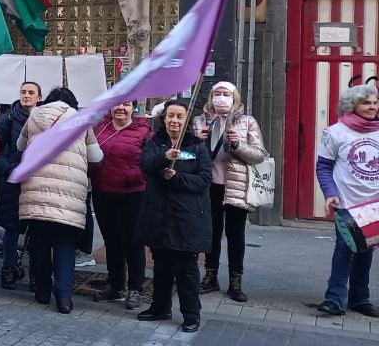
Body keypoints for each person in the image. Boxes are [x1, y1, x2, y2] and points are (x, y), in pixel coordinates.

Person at [16, 88, 102, 314]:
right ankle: (64, 298)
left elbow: (19, 146)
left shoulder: (35, 116)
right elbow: (96, 157)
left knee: (39, 244)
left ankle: (42, 292)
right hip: (68, 196)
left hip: (36, 191)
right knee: (65, 246)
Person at [136, 100, 212, 334]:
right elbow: (146, 165)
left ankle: (191, 315)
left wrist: (177, 177)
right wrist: (164, 157)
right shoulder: (154, 142)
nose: (174, 121)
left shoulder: (197, 146)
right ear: (164, 118)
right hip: (159, 215)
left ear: (186, 120)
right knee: (161, 266)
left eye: (180, 116)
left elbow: (204, 179)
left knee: (186, 270)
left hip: (186, 217)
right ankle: (160, 307)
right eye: (171, 116)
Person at [193, 81, 267, 302]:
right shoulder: (199, 120)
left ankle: (236, 282)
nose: (221, 98)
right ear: (210, 97)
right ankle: (210, 276)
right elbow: (187, 152)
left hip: (236, 186)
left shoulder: (247, 122)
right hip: (208, 186)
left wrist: (238, 145)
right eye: (217, 93)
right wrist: (198, 141)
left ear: (234, 98)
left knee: (236, 235)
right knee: (211, 233)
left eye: (226, 94)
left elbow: (259, 155)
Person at [315, 84, 379, 318]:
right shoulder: (335, 132)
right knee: (345, 248)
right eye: (366, 103)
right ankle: (334, 299)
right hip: (347, 203)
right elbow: (323, 167)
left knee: (366, 250)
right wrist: (329, 192)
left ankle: (359, 299)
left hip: (374, 204)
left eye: (375, 102)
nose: (372, 107)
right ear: (352, 105)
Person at [91, 101, 152, 310]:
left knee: (133, 243)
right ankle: (116, 285)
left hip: (133, 194)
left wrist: (136, 176)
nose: (120, 108)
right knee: (112, 241)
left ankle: (135, 288)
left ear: (132, 107)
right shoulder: (100, 127)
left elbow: (150, 160)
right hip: (103, 191)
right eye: (117, 104)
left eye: (126, 104)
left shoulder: (143, 130)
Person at [0, 81, 42, 290]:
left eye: (31, 93)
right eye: (23, 92)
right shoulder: (8, 118)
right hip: (13, 182)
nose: (26, 96)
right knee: (11, 228)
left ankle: (36, 273)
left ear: (40, 97)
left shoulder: (46, 118)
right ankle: (9, 269)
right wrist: (8, 169)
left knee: (37, 230)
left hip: (39, 181)